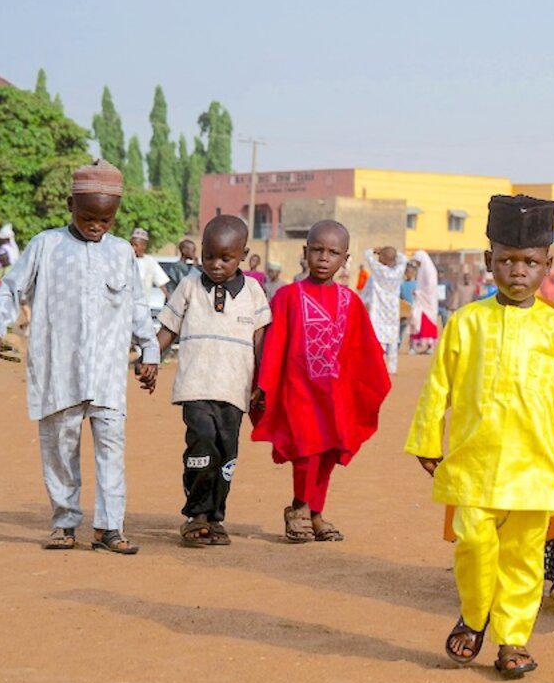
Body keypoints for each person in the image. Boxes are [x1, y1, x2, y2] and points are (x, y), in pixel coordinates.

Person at [405, 195, 554, 678]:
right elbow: (437, 386)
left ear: (547, 264)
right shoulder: (466, 323)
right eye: (506, 260)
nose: (518, 271)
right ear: (490, 262)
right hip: (474, 464)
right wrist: (428, 438)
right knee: (473, 545)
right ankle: (473, 613)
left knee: (525, 559)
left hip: (536, 469)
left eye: (529, 262)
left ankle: (512, 639)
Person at [0, 158, 159, 554]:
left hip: (108, 375)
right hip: (58, 370)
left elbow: (136, 308)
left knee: (112, 449)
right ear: (70, 206)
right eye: (88, 217)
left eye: (106, 220)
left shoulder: (122, 254)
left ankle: (109, 528)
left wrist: (150, 351)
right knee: (60, 449)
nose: (97, 226)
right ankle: (64, 522)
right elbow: (11, 289)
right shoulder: (46, 246)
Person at [251, 221, 391, 543]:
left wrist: (367, 386)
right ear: (305, 252)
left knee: (328, 452)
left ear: (345, 258)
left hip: (335, 395)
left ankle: (316, 512)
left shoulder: (350, 301)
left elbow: (361, 349)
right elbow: (274, 345)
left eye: (333, 252)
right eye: (317, 250)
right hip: (299, 392)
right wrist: (264, 383)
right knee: (306, 451)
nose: (324, 258)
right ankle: (298, 507)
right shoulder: (287, 296)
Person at [154, 215, 271, 547]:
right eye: (209, 256)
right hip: (196, 386)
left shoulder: (252, 291)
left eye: (226, 258)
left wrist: (263, 382)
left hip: (235, 390)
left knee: (226, 454)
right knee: (202, 444)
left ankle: (216, 517)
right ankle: (195, 515)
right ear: (200, 252)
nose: (216, 265)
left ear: (243, 255)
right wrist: (149, 358)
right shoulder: (189, 285)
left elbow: (260, 339)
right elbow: (168, 329)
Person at [362, 246, 408, 374]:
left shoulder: (379, 271)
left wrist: (375, 251)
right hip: (392, 311)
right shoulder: (398, 272)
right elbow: (403, 259)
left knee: (379, 339)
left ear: (382, 259)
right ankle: (392, 368)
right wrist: (391, 252)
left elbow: (367, 254)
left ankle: (379, 366)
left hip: (379, 311)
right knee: (392, 339)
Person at [130, 228, 170, 320]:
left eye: (136, 245)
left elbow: (162, 283)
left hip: (142, 309)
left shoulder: (150, 261)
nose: (133, 248)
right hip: (125, 309)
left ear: (144, 246)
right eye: (131, 245)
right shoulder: (125, 260)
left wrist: (171, 301)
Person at [409, 250, 440, 354]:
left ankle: (430, 346)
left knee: (427, 323)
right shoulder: (421, 270)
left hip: (427, 302)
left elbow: (430, 287)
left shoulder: (429, 270)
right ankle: (413, 347)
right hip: (420, 301)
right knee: (416, 321)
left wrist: (419, 293)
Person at [400, 260, 418, 352]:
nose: (408, 274)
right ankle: (397, 345)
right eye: (407, 272)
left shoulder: (417, 284)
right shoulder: (402, 284)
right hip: (404, 309)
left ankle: (412, 347)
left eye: (410, 272)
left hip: (414, 309)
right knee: (401, 328)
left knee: (413, 329)